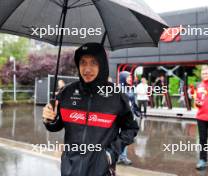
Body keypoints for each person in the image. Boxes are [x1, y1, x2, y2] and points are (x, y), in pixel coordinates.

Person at [42, 43, 139, 176]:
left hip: (102, 171)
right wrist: (49, 119)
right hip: (70, 170)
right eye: (83, 62)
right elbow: (55, 126)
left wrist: (111, 153)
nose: (87, 69)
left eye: (93, 63)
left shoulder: (116, 95)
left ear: (102, 65)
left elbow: (131, 128)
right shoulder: (66, 93)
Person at [117, 71, 141, 165]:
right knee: (120, 137)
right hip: (120, 117)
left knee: (126, 137)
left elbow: (133, 102)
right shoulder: (118, 89)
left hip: (129, 117)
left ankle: (123, 157)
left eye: (130, 77)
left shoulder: (130, 88)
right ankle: (118, 156)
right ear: (123, 78)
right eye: (128, 77)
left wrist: (136, 111)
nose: (130, 79)